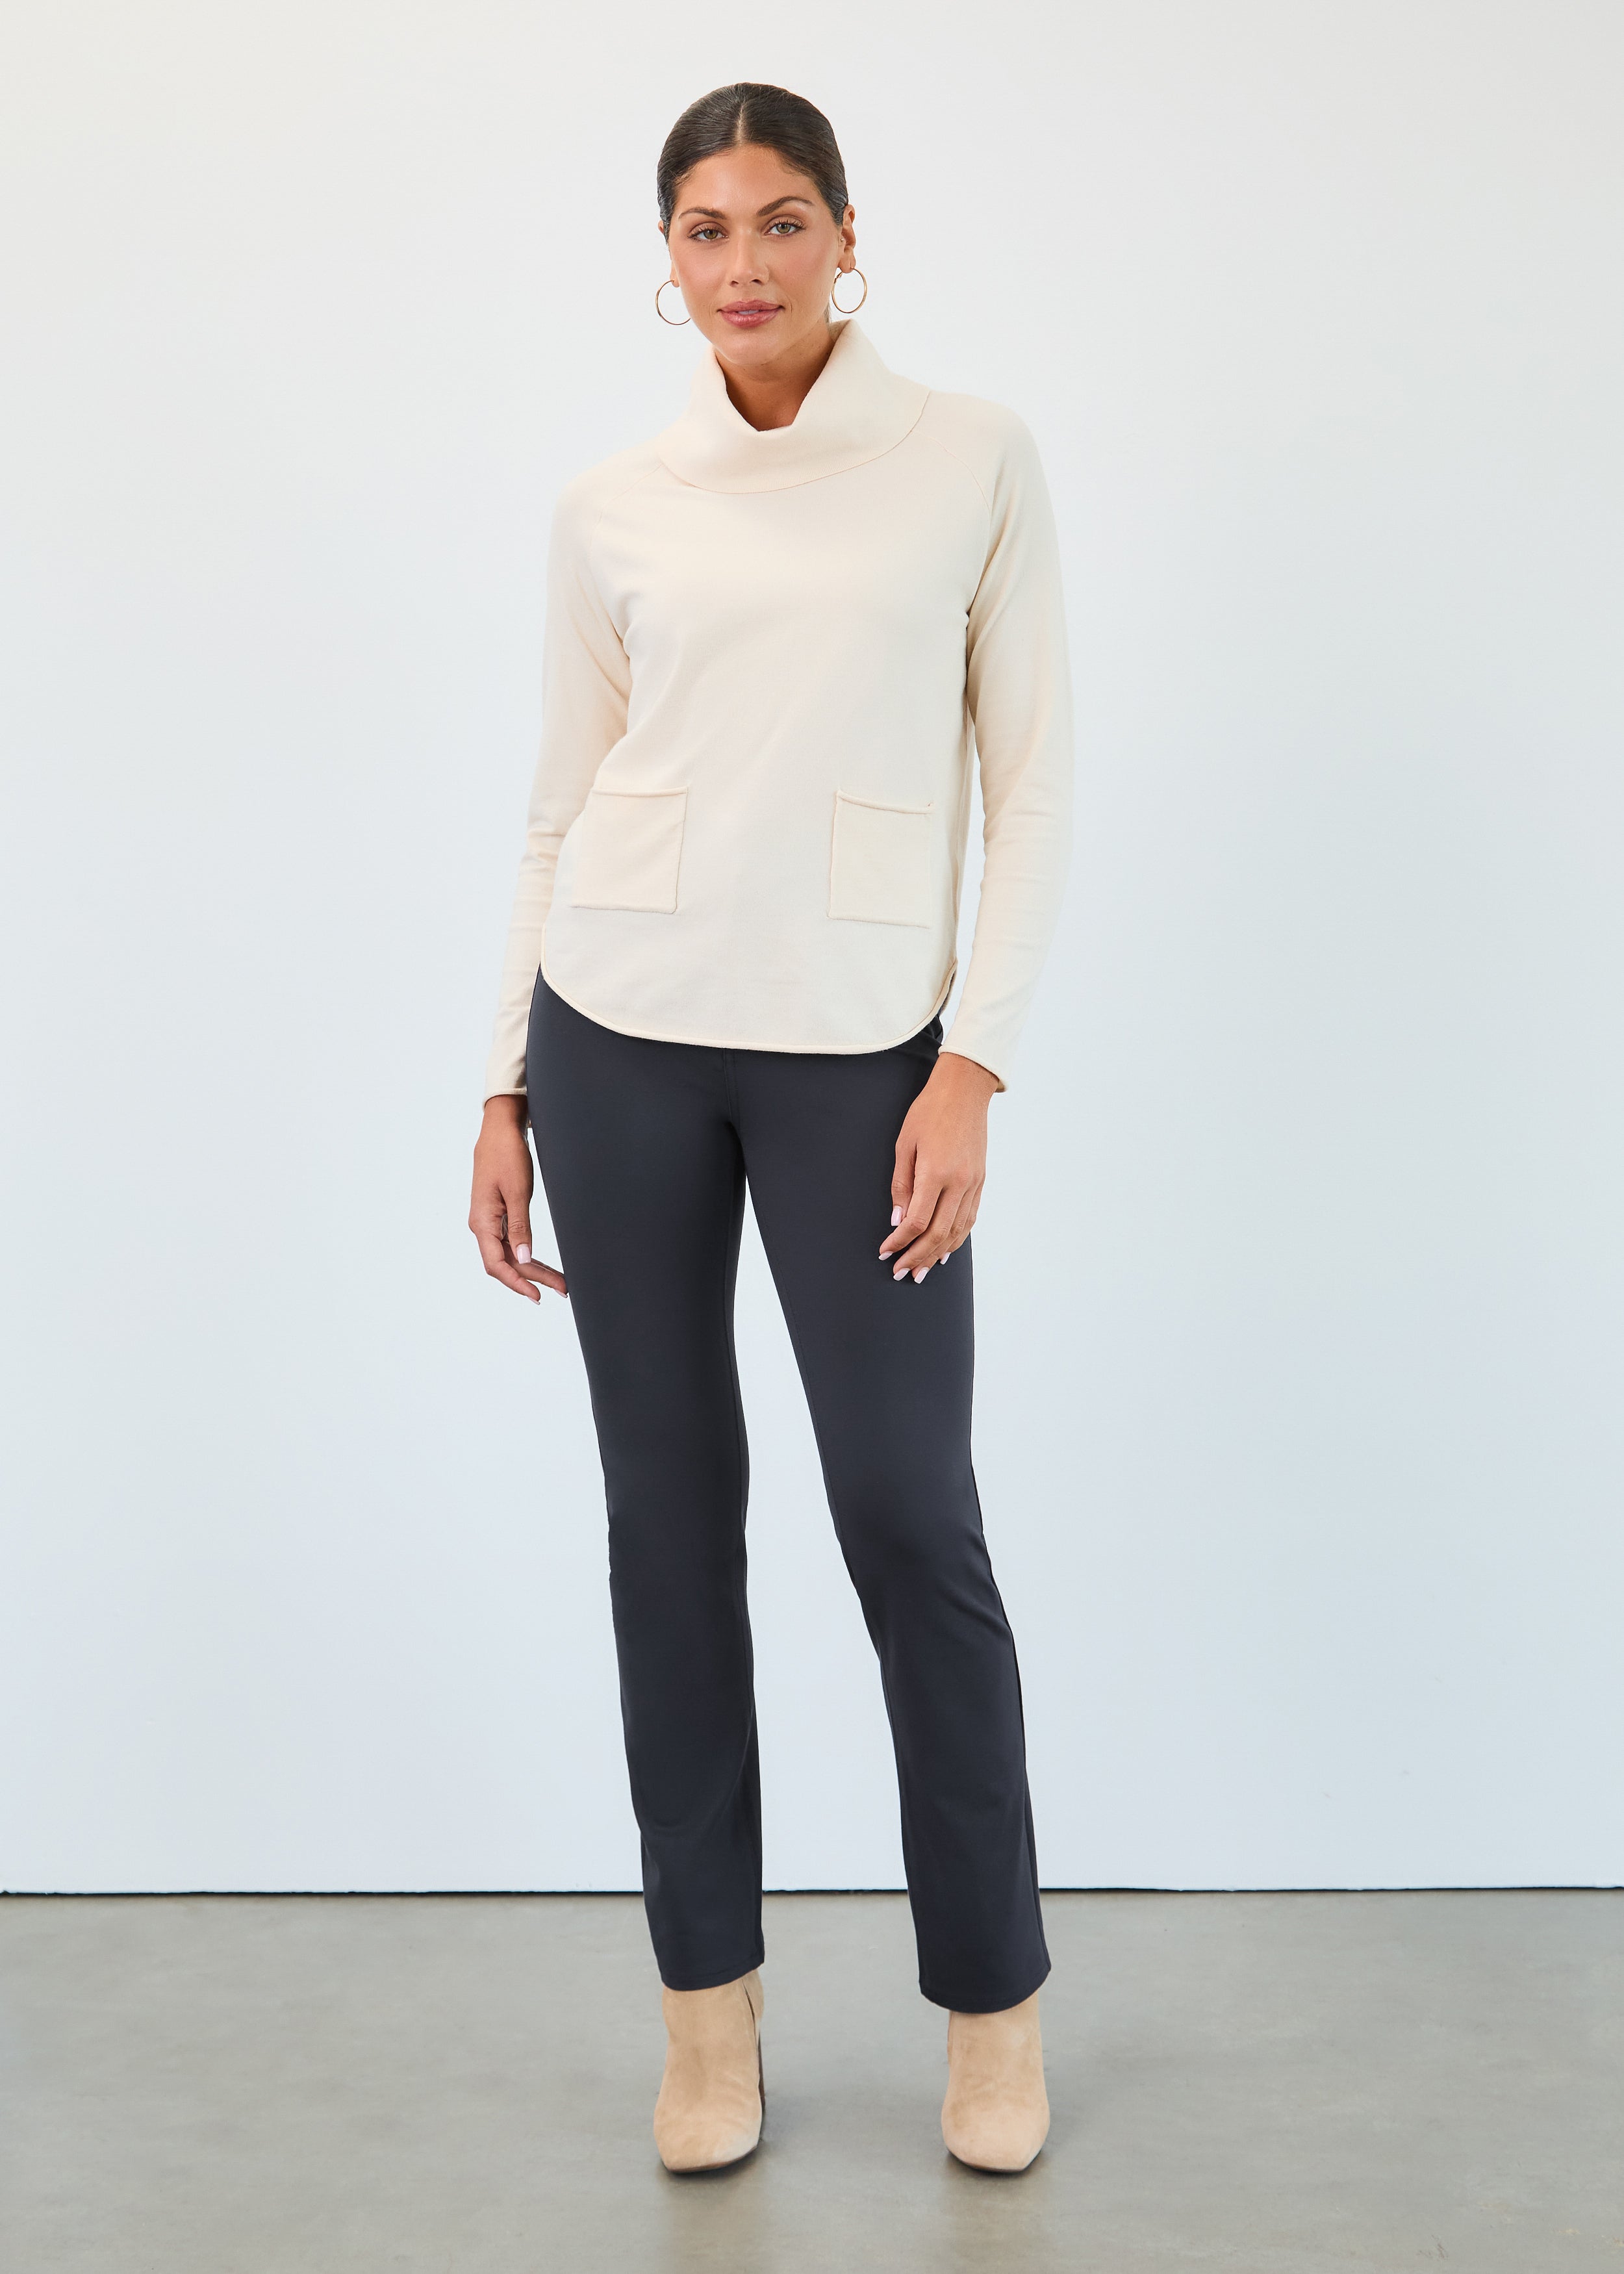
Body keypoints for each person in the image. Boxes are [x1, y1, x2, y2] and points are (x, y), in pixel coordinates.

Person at [469, 81, 1073, 2175]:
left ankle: (990, 2010)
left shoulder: (968, 457)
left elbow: (1034, 780)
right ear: (668, 257)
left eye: (781, 219)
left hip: (859, 1055)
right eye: (706, 229)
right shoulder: (612, 502)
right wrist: (502, 1076)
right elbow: (559, 802)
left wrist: (973, 1062)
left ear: (846, 235)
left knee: (907, 1513)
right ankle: (704, 2014)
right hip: (618, 1040)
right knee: (667, 1523)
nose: (744, 263)